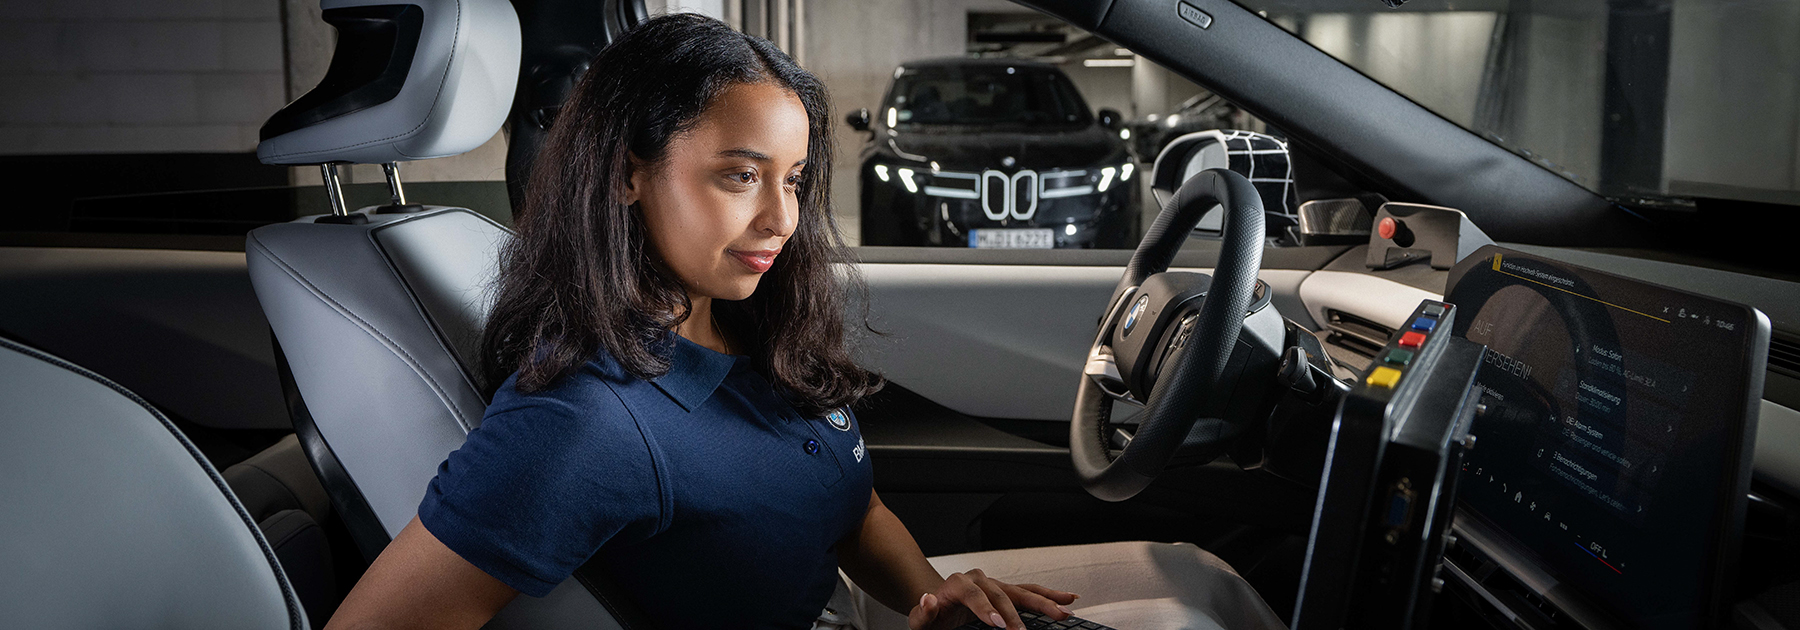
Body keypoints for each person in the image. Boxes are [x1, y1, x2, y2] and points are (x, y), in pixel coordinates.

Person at [323, 13, 1284, 630]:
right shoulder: (578, 425)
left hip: (861, 611)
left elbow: (855, 509)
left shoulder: (745, 323)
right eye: (740, 177)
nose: (782, 220)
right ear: (625, 171)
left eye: (791, 181)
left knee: (1196, 576)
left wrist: (926, 597)